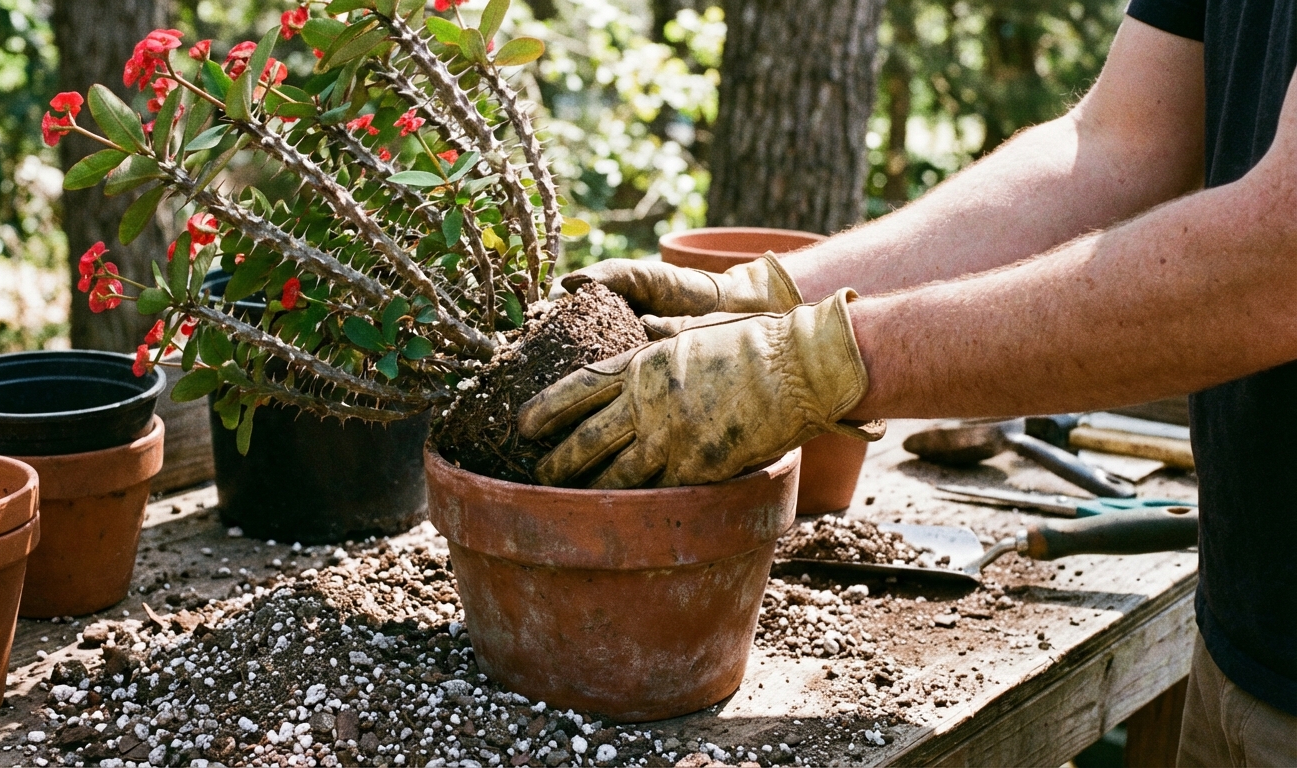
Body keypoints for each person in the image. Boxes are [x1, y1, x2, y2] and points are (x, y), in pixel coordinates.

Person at [517, 1, 1297, 763]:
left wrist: (816, 363)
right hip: (1239, 641)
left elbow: (1279, 263)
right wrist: (772, 296)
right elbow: (1117, 144)